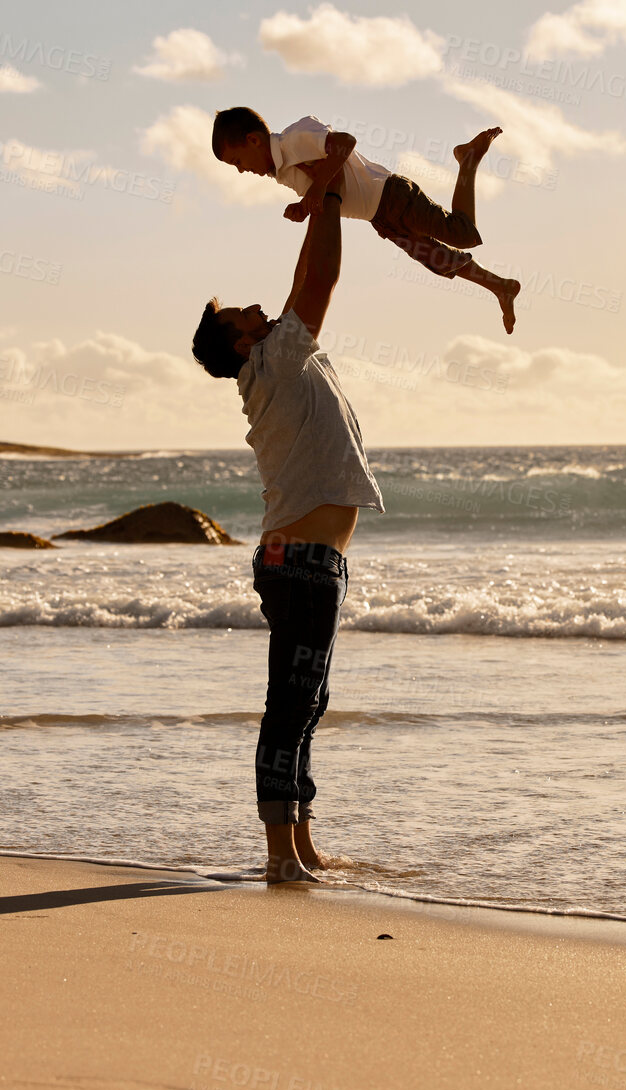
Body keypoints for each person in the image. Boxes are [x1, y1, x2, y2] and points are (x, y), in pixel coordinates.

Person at [190, 169, 383, 883]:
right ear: (241, 344)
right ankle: (279, 858)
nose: (261, 308)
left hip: (309, 563)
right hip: (299, 562)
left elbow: (305, 273)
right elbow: (321, 282)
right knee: (289, 708)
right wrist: (330, 197)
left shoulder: (277, 361)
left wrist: (316, 205)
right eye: (247, 313)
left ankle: (302, 848)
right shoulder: (271, 365)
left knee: (307, 705)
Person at [212, 107, 523, 334]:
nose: (241, 170)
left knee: (463, 233)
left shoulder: (293, 140)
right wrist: (306, 205)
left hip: (392, 195)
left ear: (253, 140)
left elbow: (345, 142)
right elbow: (328, 193)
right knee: (439, 260)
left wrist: (316, 190)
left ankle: (468, 160)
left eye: (237, 161)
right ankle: (500, 286)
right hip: (380, 217)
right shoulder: (284, 173)